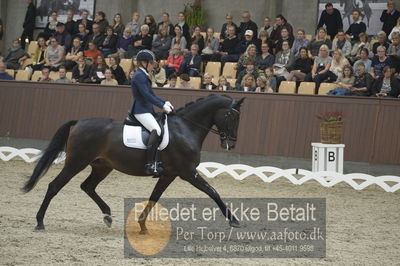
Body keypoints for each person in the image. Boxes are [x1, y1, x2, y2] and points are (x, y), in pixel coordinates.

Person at [130, 49, 174, 175]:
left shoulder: (144, 74)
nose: (153, 65)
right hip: (140, 110)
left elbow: (152, 94)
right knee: (157, 130)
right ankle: (150, 163)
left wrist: (165, 102)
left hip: (146, 109)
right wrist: (162, 106)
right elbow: (146, 95)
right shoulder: (139, 75)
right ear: (144, 62)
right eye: (151, 63)